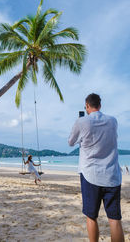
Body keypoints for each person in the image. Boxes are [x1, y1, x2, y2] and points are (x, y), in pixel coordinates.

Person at [68, 93, 124, 242]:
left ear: (87, 106)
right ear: (100, 105)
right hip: (112, 175)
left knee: (91, 217)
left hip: (90, 175)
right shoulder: (113, 121)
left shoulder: (82, 122)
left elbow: (70, 142)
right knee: (114, 219)